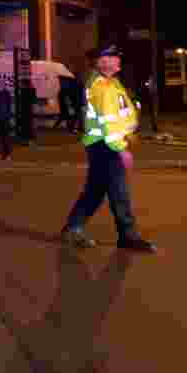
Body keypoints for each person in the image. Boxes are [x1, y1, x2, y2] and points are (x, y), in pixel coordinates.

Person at [60, 46, 157, 253]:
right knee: (118, 192)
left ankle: (73, 228)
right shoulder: (102, 86)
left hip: (103, 145)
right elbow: (108, 122)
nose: (118, 60)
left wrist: (128, 134)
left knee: (95, 191)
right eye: (114, 57)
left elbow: (120, 113)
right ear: (102, 62)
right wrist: (121, 148)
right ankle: (128, 236)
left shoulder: (111, 83)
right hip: (107, 145)